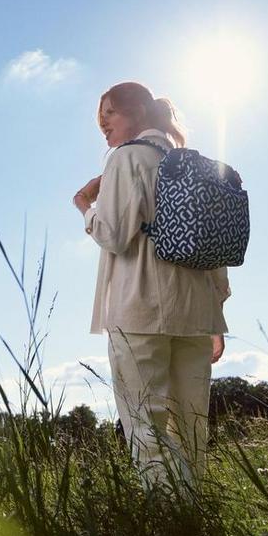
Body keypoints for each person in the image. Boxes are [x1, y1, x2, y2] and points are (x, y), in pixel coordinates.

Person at [73, 81, 231, 498]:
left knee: (146, 422)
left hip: (139, 308)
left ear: (139, 113)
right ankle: (195, 512)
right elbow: (215, 254)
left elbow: (114, 234)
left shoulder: (126, 160)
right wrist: (217, 323)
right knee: (192, 424)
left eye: (111, 115)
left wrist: (85, 207)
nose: (104, 126)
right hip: (197, 313)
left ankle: (169, 523)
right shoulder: (195, 165)